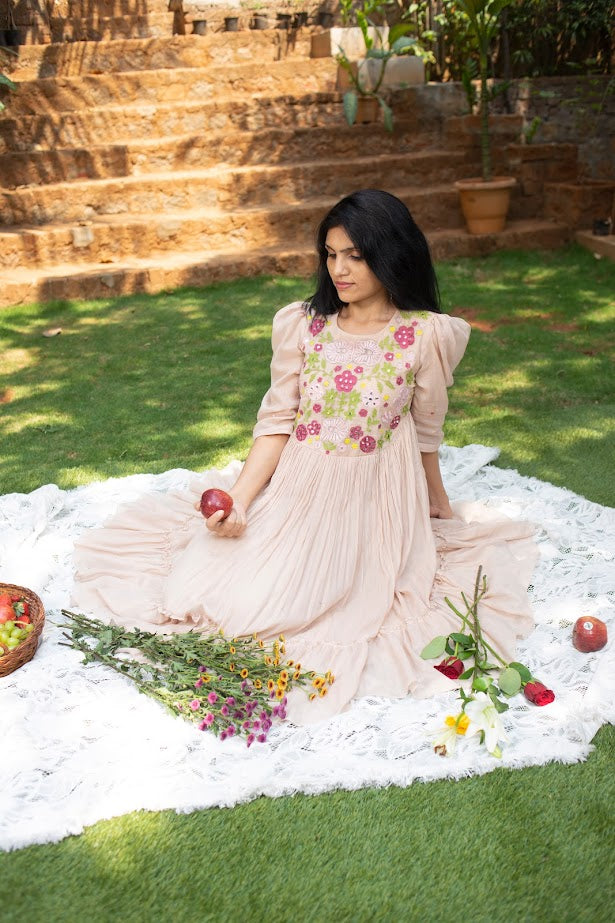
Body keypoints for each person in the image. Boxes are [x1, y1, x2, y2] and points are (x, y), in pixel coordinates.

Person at [72, 189, 538, 723]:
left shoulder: (425, 335)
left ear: (391, 254)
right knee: (220, 600)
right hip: (299, 487)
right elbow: (276, 423)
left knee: (326, 607)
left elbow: (426, 429)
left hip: (372, 499)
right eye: (331, 254)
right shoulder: (305, 325)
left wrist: (438, 501)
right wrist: (243, 501)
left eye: (355, 256)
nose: (339, 269)